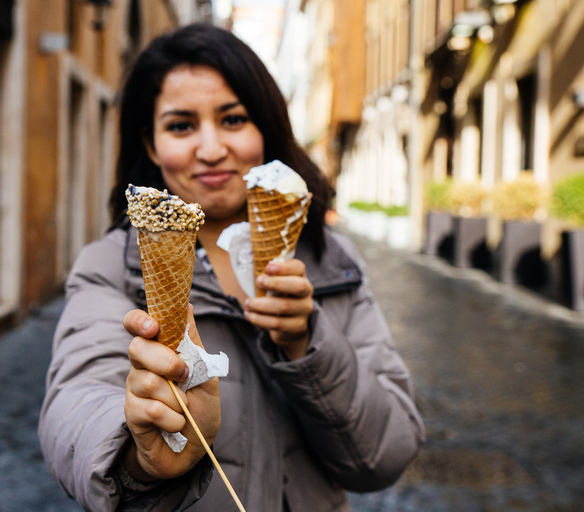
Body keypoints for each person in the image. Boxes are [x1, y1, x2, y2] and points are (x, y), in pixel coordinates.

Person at [39, 22, 424, 512]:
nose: (212, 148)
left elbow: (385, 456)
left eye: (233, 119)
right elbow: (73, 407)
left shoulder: (332, 263)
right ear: (152, 145)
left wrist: (309, 343)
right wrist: (140, 455)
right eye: (181, 125)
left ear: (266, 129)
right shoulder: (111, 265)